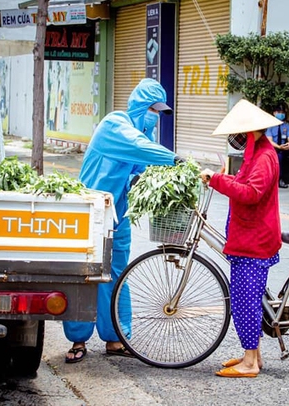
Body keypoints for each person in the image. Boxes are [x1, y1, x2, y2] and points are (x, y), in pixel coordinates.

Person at [63, 78, 183, 363]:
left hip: (118, 213)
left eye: (159, 113)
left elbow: (143, 167)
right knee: (86, 273)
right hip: (90, 211)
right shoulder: (116, 125)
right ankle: (78, 339)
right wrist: (178, 160)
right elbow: (140, 148)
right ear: (140, 107)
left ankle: (116, 337)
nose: (155, 118)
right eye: (153, 111)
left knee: (117, 274)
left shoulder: (143, 136)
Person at [200, 99, 283, 378]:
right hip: (248, 236)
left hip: (254, 240)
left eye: (236, 133)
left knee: (245, 301)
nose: (233, 139)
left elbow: (251, 193)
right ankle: (254, 355)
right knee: (246, 299)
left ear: (248, 132)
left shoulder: (264, 157)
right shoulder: (255, 152)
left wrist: (217, 180)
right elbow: (245, 184)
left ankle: (249, 364)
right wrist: (225, 178)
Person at [265, 104, 289, 188]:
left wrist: (288, 144)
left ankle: (281, 152)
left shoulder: (286, 126)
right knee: (279, 156)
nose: (281, 114)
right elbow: (269, 141)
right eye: (279, 112)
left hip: (283, 148)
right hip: (273, 148)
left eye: (282, 112)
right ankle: (279, 179)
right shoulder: (270, 126)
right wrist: (278, 147)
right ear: (274, 113)